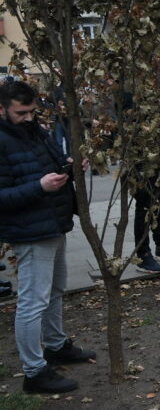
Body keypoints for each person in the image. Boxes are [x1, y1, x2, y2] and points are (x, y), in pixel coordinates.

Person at [0, 79, 95, 393]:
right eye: (20, 112)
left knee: (54, 290)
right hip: (30, 230)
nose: (28, 117)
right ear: (2, 109)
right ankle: (34, 372)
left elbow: (54, 161)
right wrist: (40, 186)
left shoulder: (34, 130)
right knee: (32, 301)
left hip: (53, 222)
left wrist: (70, 166)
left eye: (31, 111)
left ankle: (55, 345)